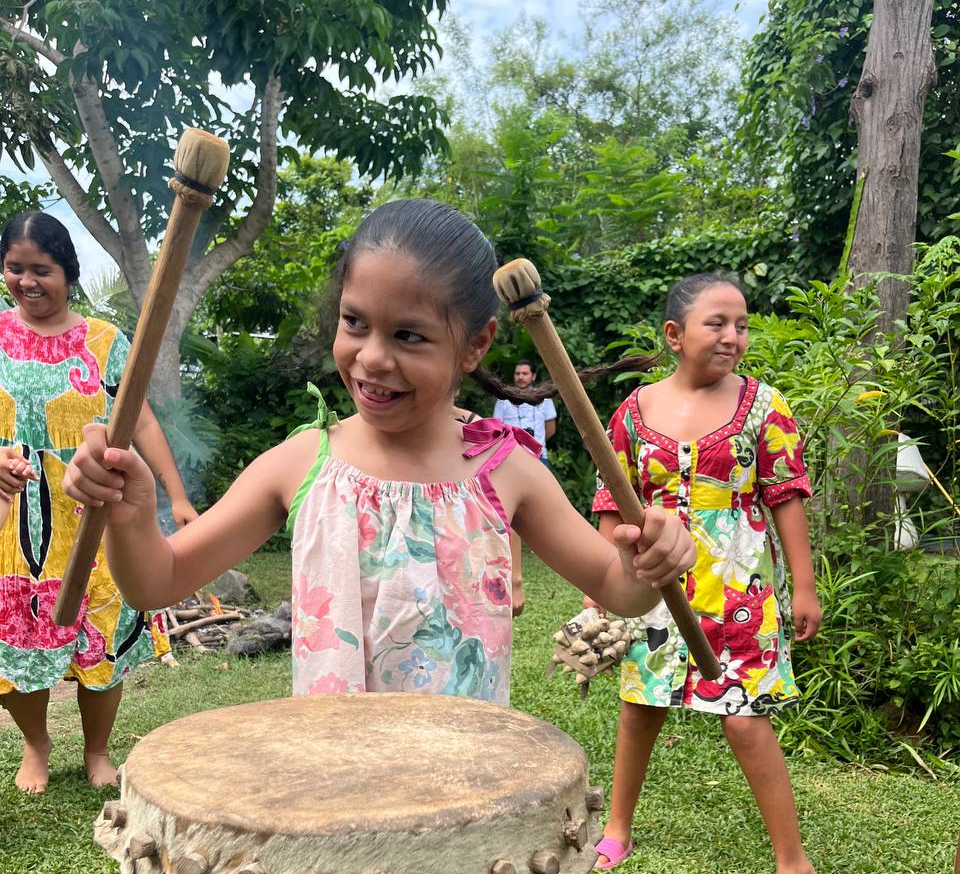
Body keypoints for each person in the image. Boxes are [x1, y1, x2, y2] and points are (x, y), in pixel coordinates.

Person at [64, 199, 694, 709]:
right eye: (355, 322)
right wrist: (132, 516)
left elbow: (617, 590)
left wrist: (648, 565)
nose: (371, 357)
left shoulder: (506, 471)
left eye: (409, 335)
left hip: (465, 784)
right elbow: (156, 582)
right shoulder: (300, 462)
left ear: (475, 345)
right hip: (337, 787)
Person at [590, 273, 823, 874]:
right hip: (657, 585)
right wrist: (618, 571)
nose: (733, 336)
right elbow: (612, 506)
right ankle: (615, 828)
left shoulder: (764, 406)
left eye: (741, 324)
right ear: (674, 335)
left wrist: (803, 586)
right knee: (641, 707)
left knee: (743, 719)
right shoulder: (633, 412)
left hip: (739, 588)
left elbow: (786, 496)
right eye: (716, 322)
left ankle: (795, 868)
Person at [0, 211, 198, 794]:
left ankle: (96, 750)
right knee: (18, 633)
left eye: (42, 269)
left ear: (69, 271)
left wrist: (178, 497)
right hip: (16, 515)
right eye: (15, 268)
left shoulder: (105, 341)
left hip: (95, 510)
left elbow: (136, 416)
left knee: (105, 630)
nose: (28, 281)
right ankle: (36, 745)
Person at [490, 362, 557, 617]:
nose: (521, 377)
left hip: (538, 454)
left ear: (533, 376)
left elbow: (550, 429)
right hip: (510, 456)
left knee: (544, 504)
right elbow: (496, 427)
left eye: (525, 373)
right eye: (517, 373)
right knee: (509, 507)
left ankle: (543, 543)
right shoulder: (504, 399)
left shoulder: (543, 399)